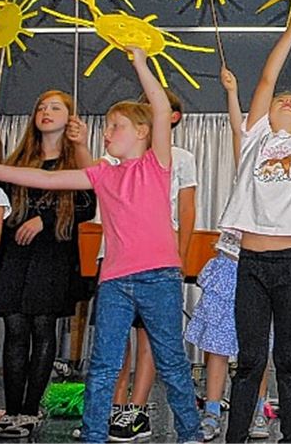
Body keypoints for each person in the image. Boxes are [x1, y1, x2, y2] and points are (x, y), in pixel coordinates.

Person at [0, 47, 202, 443]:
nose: (107, 133)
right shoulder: (103, 174)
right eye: (106, 127)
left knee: (171, 362)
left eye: (115, 126)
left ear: (141, 131)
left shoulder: (158, 164)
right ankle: (93, 435)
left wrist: (139, 62)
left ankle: (191, 432)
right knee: (102, 364)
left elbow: (157, 104)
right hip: (116, 281)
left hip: (159, 277)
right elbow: (47, 181)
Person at [220, 4, 291, 444]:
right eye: (283, 101)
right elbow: (267, 80)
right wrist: (289, 31)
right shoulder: (255, 137)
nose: (288, 100)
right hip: (252, 262)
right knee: (249, 360)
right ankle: (236, 437)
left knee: (289, 359)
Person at [0, 91, 95, 439]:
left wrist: (44, 220)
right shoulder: (18, 160)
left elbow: (88, 204)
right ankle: (12, 409)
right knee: (15, 330)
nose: (46, 112)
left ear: (70, 117)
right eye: (41, 107)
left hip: (53, 256)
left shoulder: (75, 162)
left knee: (43, 328)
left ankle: (31, 411)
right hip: (14, 256)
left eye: (55, 107)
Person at [107, 88, 198, 442]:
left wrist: (181, 255)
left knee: (154, 339)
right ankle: (114, 408)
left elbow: (187, 209)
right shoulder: (117, 152)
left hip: (159, 259)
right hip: (117, 256)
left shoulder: (179, 157)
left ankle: (137, 408)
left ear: (171, 117)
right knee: (114, 340)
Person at [185, 66, 244, 442]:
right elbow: (240, 132)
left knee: (258, 348)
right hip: (231, 262)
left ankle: (256, 408)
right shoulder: (251, 160)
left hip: (268, 266)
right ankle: (210, 409)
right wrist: (232, 93)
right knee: (217, 345)